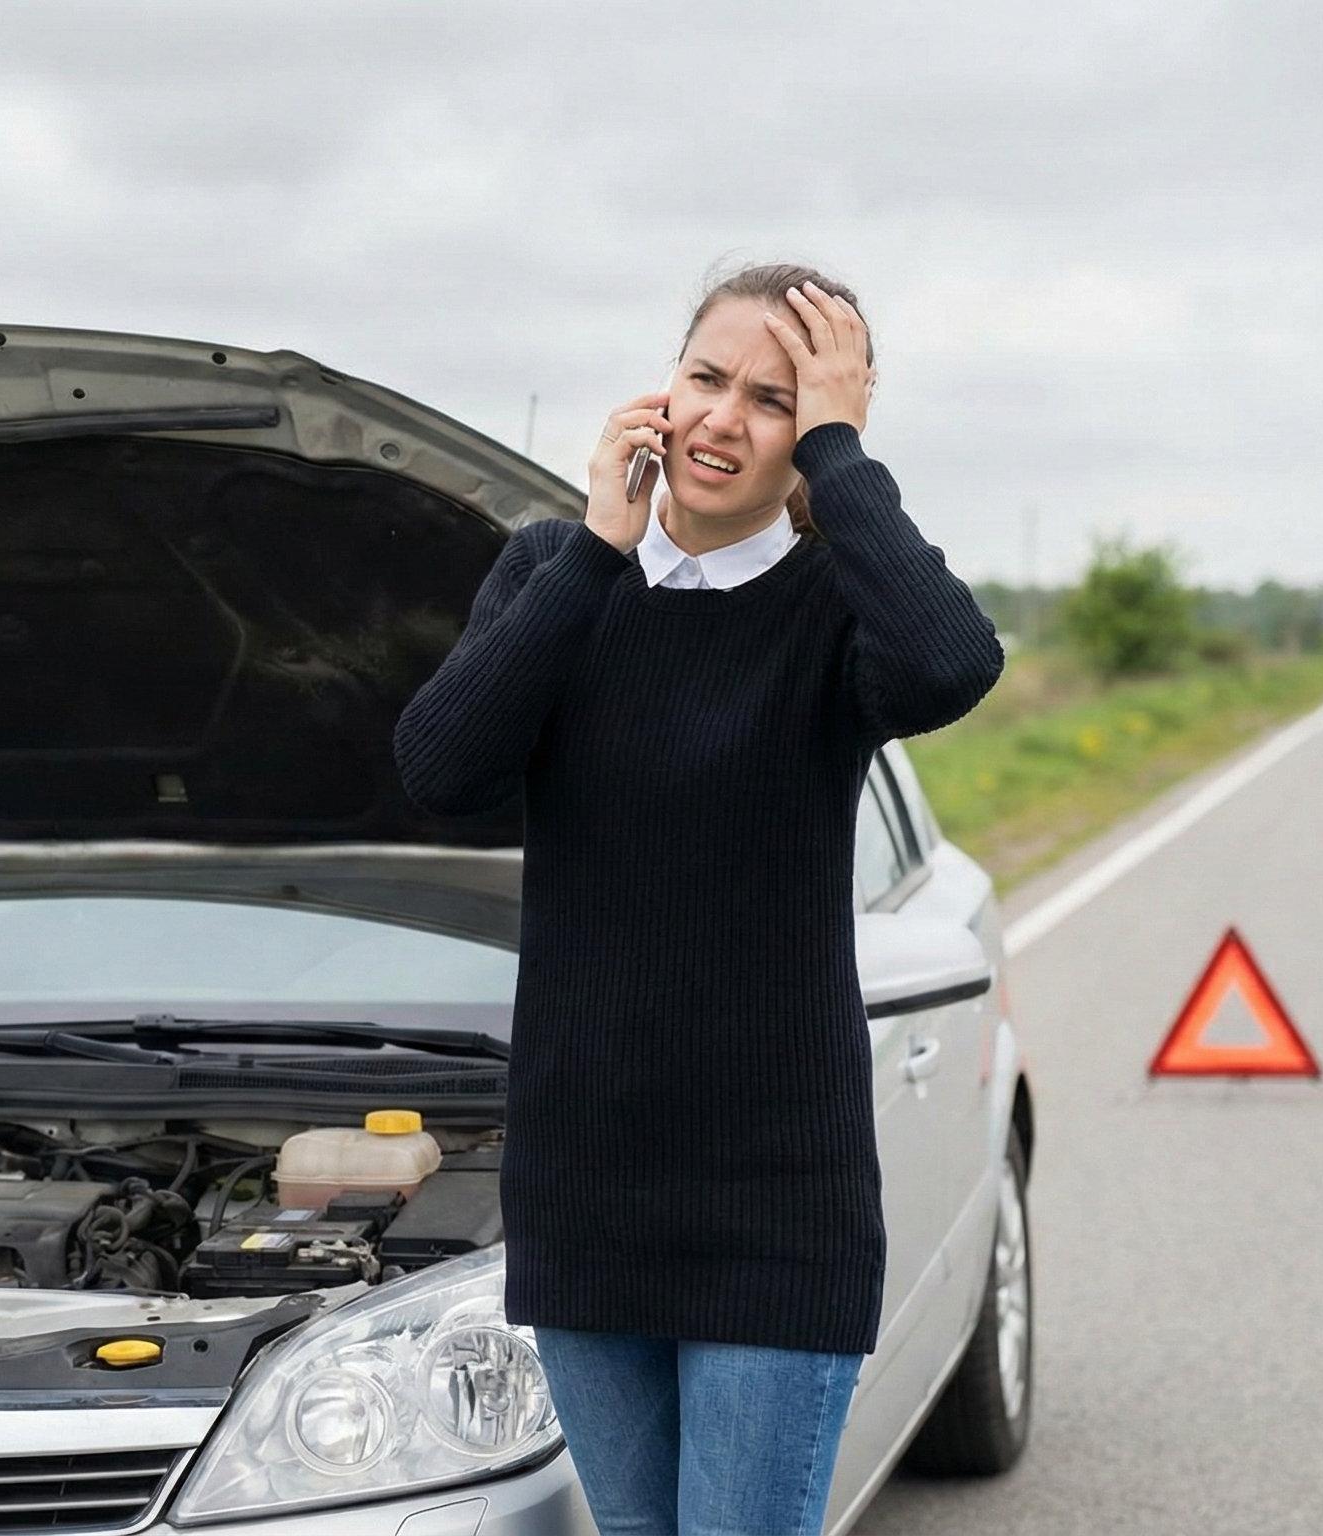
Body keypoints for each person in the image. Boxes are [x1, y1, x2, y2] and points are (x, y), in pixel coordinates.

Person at [393, 263, 1004, 1534]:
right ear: (662, 387)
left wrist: (843, 454)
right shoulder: (551, 579)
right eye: (706, 378)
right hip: (586, 1185)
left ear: (816, 436)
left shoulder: (834, 612)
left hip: (773, 1201)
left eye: (774, 401)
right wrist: (594, 555)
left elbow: (951, 662)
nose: (722, 418)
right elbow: (441, 769)